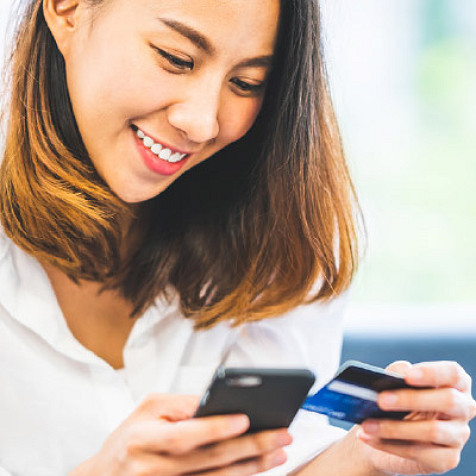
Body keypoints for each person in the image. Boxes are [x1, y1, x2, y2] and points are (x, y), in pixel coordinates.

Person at [0, 0, 474, 475]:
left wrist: (365, 458)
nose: (203, 122)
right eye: (175, 58)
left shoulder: (283, 225)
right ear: (67, 10)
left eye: (246, 84)